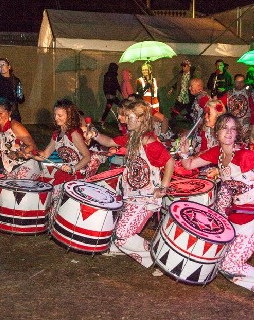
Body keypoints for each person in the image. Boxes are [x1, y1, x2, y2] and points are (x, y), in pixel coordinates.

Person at [179, 113, 254, 305]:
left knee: (230, 264)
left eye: (232, 128)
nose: (228, 132)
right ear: (216, 132)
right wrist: (184, 152)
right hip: (237, 215)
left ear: (237, 132)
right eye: (224, 128)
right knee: (223, 263)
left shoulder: (244, 155)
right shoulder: (217, 154)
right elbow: (188, 165)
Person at [88, 100, 174, 269]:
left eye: (129, 117)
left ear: (141, 119)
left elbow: (169, 161)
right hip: (133, 196)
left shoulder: (149, 141)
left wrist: (163, 187)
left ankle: (157, 257)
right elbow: (110, 141)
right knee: (117, 231)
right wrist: (95, 135)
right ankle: (126, 246)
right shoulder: (132, 137)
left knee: (122, 234)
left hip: (146, 198)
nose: (125, 120)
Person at [35, 98, 90, 204]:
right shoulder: (56, 134)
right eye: (55, 115)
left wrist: (73, 169)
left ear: (69, 116)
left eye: (60, 115)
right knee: (41, 183)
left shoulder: (73, 134)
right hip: (65, 172)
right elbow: (45, 154)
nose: (56, 118)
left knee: (54, 194)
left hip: (77, 174)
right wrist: (30, 154)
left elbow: (87, 157)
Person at [0, 97, 40, 179]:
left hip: (26, 165)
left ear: (9, 113)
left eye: (1, 113)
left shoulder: (15, 126)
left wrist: (17, 154)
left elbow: (33, 146)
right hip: (10, 168)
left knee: (14, 187)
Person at [136, 62, 171, 139]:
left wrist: (160, 104)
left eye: (146, 70)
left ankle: (159, 136)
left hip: (155, 105)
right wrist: (146, 86)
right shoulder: (140, 80)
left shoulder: (154, 80)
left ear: (150, 70)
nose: (144, 72)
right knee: (149, 122)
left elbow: (156, 93)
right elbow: (139, 94)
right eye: (143, 70)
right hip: (146, 106)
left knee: (159, 122)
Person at [0, 58, 24, 126]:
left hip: (12, 113)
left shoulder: (15, 80)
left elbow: (20, 99)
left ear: (9, 67)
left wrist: (20, 96)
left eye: (3, 64)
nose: (1, 67)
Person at [220, 73, 253, 143]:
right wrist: (227, 114)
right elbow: (220, 104)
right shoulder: (229, 93)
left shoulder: (249, 93)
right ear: (234, 82)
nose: (240, 84)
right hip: (233, 124)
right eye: (238, 82)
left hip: (246, 124)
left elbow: (253, 108)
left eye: (242, 82)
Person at [168, 59, 195, 124]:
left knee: (190, 113)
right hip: (181, 97)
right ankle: (172, 124)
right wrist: (172, 89)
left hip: (188, 97)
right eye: (182, 66)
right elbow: (178, 83)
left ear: (188, 66)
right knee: (174, 112)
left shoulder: (192, 76)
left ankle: (191, 124)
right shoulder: (181, 75)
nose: (183, 67)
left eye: (185, 66)